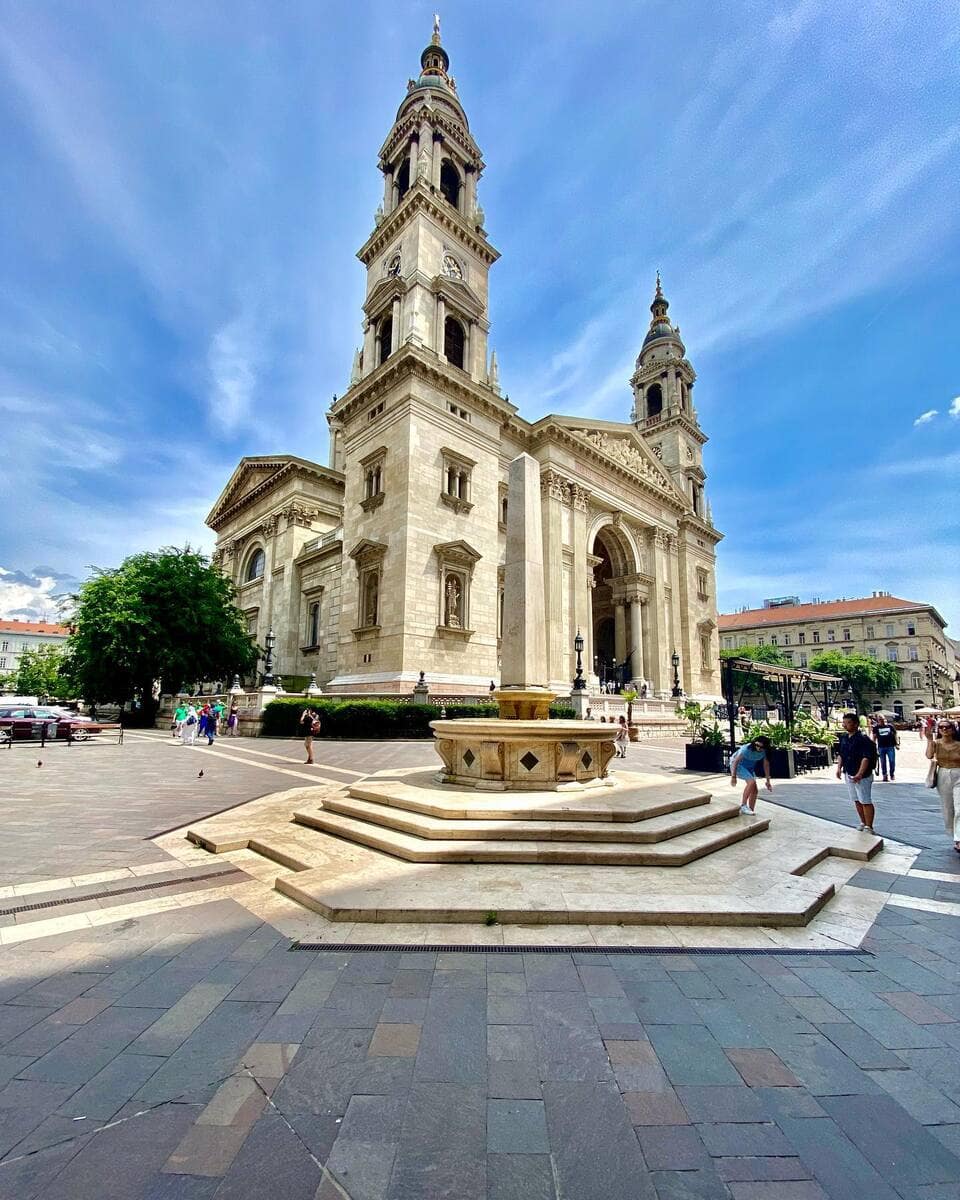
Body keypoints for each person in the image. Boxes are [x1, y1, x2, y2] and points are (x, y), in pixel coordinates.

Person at [837, 712, 877, 833]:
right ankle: (863, 822)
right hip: (849, 771)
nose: (845, 725)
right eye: (844, 723)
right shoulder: (844, 738)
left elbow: (866, 757)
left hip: (862, 775)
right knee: (856, 799)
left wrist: (860, 773)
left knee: (865, 799)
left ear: (856, 724)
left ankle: (869, 826)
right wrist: (839, 768)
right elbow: (841, 754)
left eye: (848, 723)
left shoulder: (863, 739)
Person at [925, 719, 960, 853]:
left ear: (952, 729)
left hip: (958, 774)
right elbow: (929, 755)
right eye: (941, 727)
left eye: (947, 727)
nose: (944, 730)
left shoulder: (958, 744)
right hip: (943, 775)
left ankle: (959, 838)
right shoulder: (936, 744)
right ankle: (954, 835)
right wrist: (929, 739)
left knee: (959, 807)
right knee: (947, 808)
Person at [729, 736, 772, 815]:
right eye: (757, 745)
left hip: (749, 767)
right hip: (738, 765)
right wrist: (733, 777)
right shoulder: (747, 749)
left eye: (761, 747)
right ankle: (743, 805)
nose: (758, 748)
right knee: (751, 782)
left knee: (755, 790)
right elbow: (735, 761)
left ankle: (751, 809)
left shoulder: (765, 752)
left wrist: (768, 781)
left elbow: (766, 765)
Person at [873, 716, 899, 782]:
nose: (882, 721)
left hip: (890, 746)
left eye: (883, 719)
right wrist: (873, 747)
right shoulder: (876, 727)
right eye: (880, 720)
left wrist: (897, 744)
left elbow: (895, 734)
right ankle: (885, 775)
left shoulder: (890, 726)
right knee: (883, 762)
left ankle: (892, 774)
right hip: (881, 747)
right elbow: (874, 737)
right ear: (878, 721)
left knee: (892, 761)